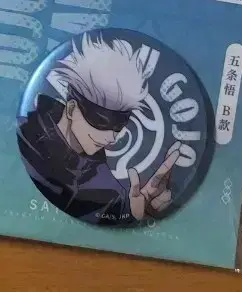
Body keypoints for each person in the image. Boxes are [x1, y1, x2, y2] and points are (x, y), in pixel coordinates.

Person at [17, 33, 181, 225]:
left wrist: (136, 214)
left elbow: (108, 220)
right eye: (101, 120)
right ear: (71, 109)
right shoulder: (24, 140)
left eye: (119, 124)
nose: (112, 137)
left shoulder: (104, 184)